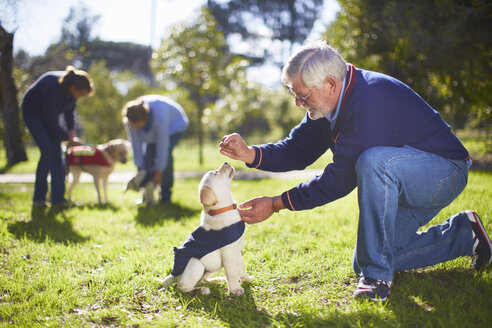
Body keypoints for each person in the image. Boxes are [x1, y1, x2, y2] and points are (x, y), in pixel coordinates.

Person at [219, 40, 492, 301]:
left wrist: (277, 204)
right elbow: (297, 150)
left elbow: (341, 179)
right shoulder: (329, 104)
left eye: (302, 96)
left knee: (373, 162)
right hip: (405, 179)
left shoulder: (370, 99)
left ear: (329, 84)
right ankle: (465, 235)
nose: (298, 104)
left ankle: (377, 279)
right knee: (365, 258)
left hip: (443, 172)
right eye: (294, 95)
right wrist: (251, 154)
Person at [22, 65, 94, 207]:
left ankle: (58, 199)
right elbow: (50, 120)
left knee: (57, 155)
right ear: (74, 88)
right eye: (81, 94)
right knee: (48, 152)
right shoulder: (52, 86)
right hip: (33, 114)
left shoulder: (71, 93)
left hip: (49, 118)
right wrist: (67, 138)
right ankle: (39, 199)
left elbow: (69, 113)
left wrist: (71, 133)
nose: (80, 97)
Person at [122, 95, 189, 204]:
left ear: (145, 119)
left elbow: (163, 148)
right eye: (134, 125)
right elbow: (136, 146)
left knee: (165, 158)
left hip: (175, 125)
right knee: (147, 158)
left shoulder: (160, 118)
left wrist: (159, 171)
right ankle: (147, 195)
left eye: (138, 125)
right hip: (156, 129)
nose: (136, 128)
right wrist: (140, 168)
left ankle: (165, 196)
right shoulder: (131, 123)